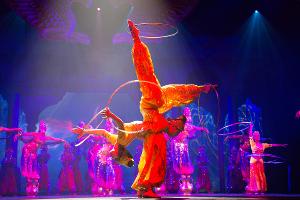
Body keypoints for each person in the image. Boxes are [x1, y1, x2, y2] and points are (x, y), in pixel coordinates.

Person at [73, 19, 216, 197]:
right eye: (114, 153)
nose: (112, 151)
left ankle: (144, 187)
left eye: (112, 152)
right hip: (151, 122)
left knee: (151, 80)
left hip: (150, 114)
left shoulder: (115, 138)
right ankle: (145, 187)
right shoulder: (122, 140)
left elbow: (104, 131)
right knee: (155, 152)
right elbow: (123, 127)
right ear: (119, 152)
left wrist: (85, 130)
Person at [14, 120, 66, 196]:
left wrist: (61, 140)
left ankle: (33, 188)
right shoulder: (35, 134)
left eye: (44, 127)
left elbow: (53, 140)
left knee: (33, 173)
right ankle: (30, 187)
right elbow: (25, 136)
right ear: (39, 128)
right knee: (29, 172)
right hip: (27, 153)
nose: (43, 128)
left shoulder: (45, 138)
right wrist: (19, 136)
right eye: (42, 127)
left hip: (33, 155)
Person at [246, 123, 287, 194]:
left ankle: (262, 189)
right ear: (254, 137)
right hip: (253, 160)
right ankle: (257, 189)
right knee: (255, 175)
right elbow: (249, 135)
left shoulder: (263, 145)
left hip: (260, 160)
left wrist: (281, 145)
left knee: (261, 175)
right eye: (256, 135)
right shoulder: (252, 142)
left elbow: (272, 145)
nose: (257, 136)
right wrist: (250, 127)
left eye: (258, 135)